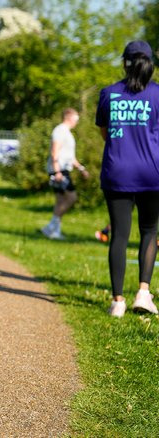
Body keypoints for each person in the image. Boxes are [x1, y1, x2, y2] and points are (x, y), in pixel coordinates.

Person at [96, 40, 159, 317]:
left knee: (119, 236)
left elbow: (104, 133)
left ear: (125, 62)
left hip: (117, 171)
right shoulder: (158, 95)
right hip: (152, 174)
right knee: (149, 231)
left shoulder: (108, 93)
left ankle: (118, 301)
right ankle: (143, 293)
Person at [40, 108, 89, 240]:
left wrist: (81, 168)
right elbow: (55, 151)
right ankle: (51, 226)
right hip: (59, 170)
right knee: (71, 197)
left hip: (63, 169)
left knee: (61, 200)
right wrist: (57, 171)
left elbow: (70, 156)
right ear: (69, 117)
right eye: (76, 119)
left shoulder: (67, 132)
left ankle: (55, 231)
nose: (77, 122)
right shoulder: (60, 131)